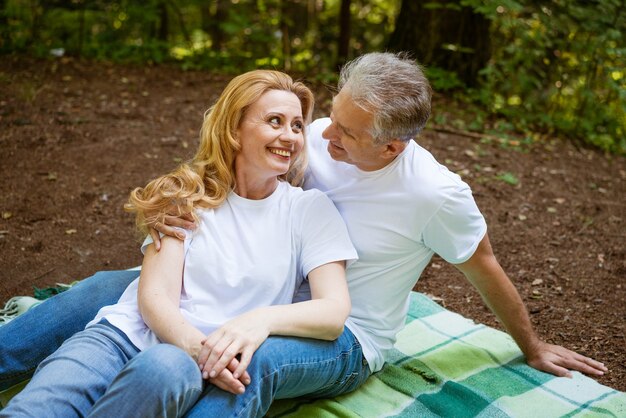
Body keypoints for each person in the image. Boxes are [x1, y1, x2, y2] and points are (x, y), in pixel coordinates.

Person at [0, 53, 607, 415]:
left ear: (391, 145)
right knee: (114, 290)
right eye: (324, 119)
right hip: (234, 299)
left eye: (340, 131)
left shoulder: (430, 194)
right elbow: (244, 155)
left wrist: (531, 345)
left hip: (339, 333)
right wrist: (183, 198)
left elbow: (483, 262)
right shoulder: (313, 137)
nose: (317, 137)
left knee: (245, 362)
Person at [0, 70, 359, 417]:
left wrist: (256, 322)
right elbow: (155, 296)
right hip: (122, 338)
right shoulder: (187, 195)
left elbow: (332, 312)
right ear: (234, 128)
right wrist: (197, 348)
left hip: (183, 364)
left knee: (161, 367)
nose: (291, 136)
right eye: (275, 121)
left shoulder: (309, 210)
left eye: (297, 125)